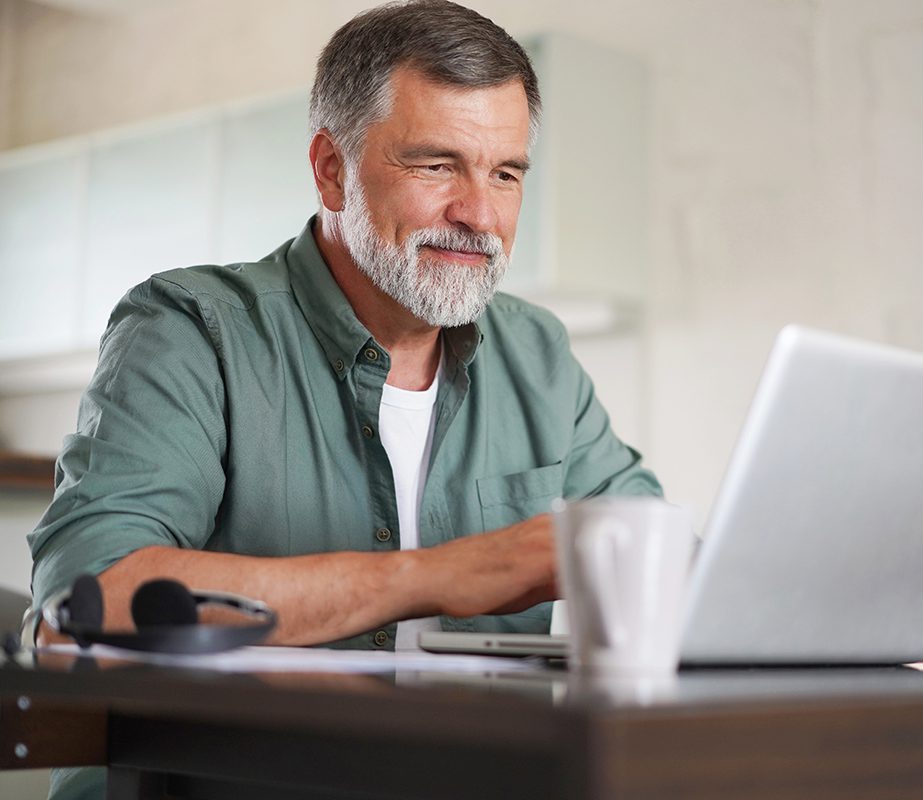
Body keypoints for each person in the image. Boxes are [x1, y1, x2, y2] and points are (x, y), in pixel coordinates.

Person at [28, 0, 660, 656]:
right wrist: (445, 574)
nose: (479, 213)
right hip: (247, 760)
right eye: (436, 165)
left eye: (505, 174)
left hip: (483, 758)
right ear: (333, 171)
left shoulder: (539, 353)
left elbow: (661, 551)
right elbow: (89, 598)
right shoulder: (190, 329)